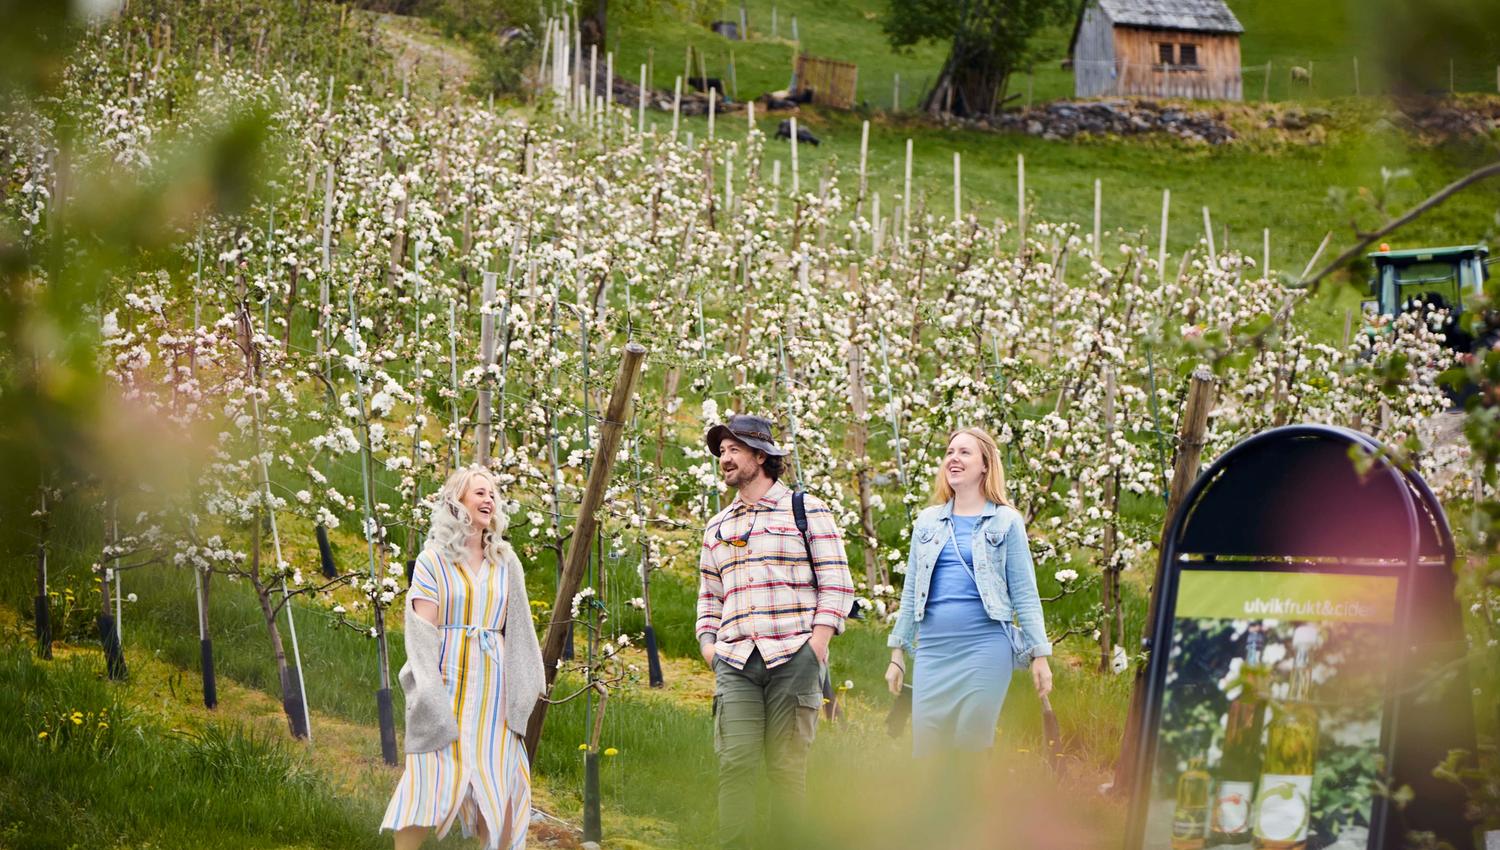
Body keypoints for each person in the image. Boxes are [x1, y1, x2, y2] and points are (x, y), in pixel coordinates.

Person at [696, 414, 855, 849]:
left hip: (793, 656)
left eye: (734, 450)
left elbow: (837, 582)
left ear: (761, 456)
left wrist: (817, 644)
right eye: (721, 452)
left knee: (786, 769)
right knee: (736, 764)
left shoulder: (807, 510)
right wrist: (710, 648)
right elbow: (709, 597)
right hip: (735, 662)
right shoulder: (718, 526)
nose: (724, 459)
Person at [382, 466, 545, 850]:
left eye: (492, 494)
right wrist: (427, 693)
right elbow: (422, 634)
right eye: (479, 493)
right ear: (457, 502)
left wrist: (526, 687)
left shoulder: (507, 562)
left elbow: (520, 631)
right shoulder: (433, 560)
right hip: (448, 686)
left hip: (495, 693)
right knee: (427, 780)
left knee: (501, 784)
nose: (488, 500)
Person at [884, 427, 1053, 759]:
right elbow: (911, 592)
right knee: (927, 753)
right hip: (933, 651)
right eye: (949, 452)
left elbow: (1025, 593)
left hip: (985, 650)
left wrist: (1040, 655)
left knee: (969, 747)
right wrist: (897, 653)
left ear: (985, 465)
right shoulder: (927, 522)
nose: (954, 459)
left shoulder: (1005, 521)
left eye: (964, 452)